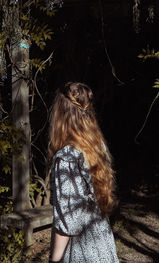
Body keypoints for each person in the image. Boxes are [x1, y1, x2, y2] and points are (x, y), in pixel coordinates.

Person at [48, 82, 119, 263]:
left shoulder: (67, 158)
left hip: (80, 250)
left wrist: (54, 260)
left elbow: (68, 222)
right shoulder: (96, 147)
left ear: (60, 115)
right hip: (102, 242)